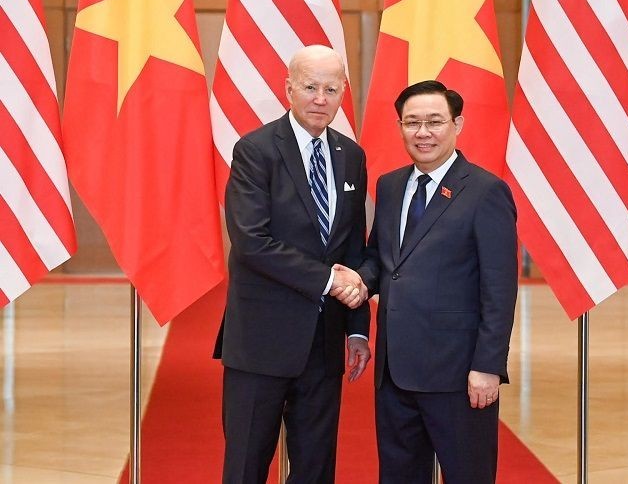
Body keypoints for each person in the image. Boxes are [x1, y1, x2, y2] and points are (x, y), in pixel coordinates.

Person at [214, 45, 371, 484]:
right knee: (246, 467)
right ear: (288, 90)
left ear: (343, 94)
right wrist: (328, 279)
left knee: (316, 470)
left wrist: (357, 327)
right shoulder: (255, 150)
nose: (321, 98)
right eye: (310, 87)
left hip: (323, 347)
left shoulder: (351, 155)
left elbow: (352, 251)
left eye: (331, 89)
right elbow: (252, 241)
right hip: (261, 343)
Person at [358, 80, 518, 484]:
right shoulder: (390, 186)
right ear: (400, 127)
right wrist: (356, 281)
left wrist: (488, 366)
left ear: (457, 124)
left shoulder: (486, 191)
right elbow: (383, 259)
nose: (423, 133)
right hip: (395, 372)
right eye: (412, 123)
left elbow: (499, 290)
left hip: (458, 375)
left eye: (434, 122)